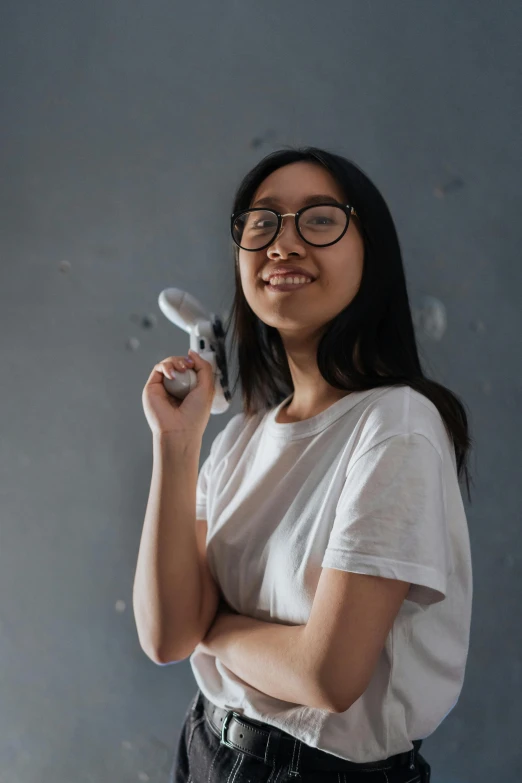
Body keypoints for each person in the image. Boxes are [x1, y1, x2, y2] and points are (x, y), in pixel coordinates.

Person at [138, 146, 473, 782]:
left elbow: (327, 675)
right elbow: (165, 637)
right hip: (205, 747)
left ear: (370, 253)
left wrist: (214, 629)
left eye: (319, 220)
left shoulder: (394, 425)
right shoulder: (241, 438)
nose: (282, 243)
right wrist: (176, 444)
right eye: (261, 223)